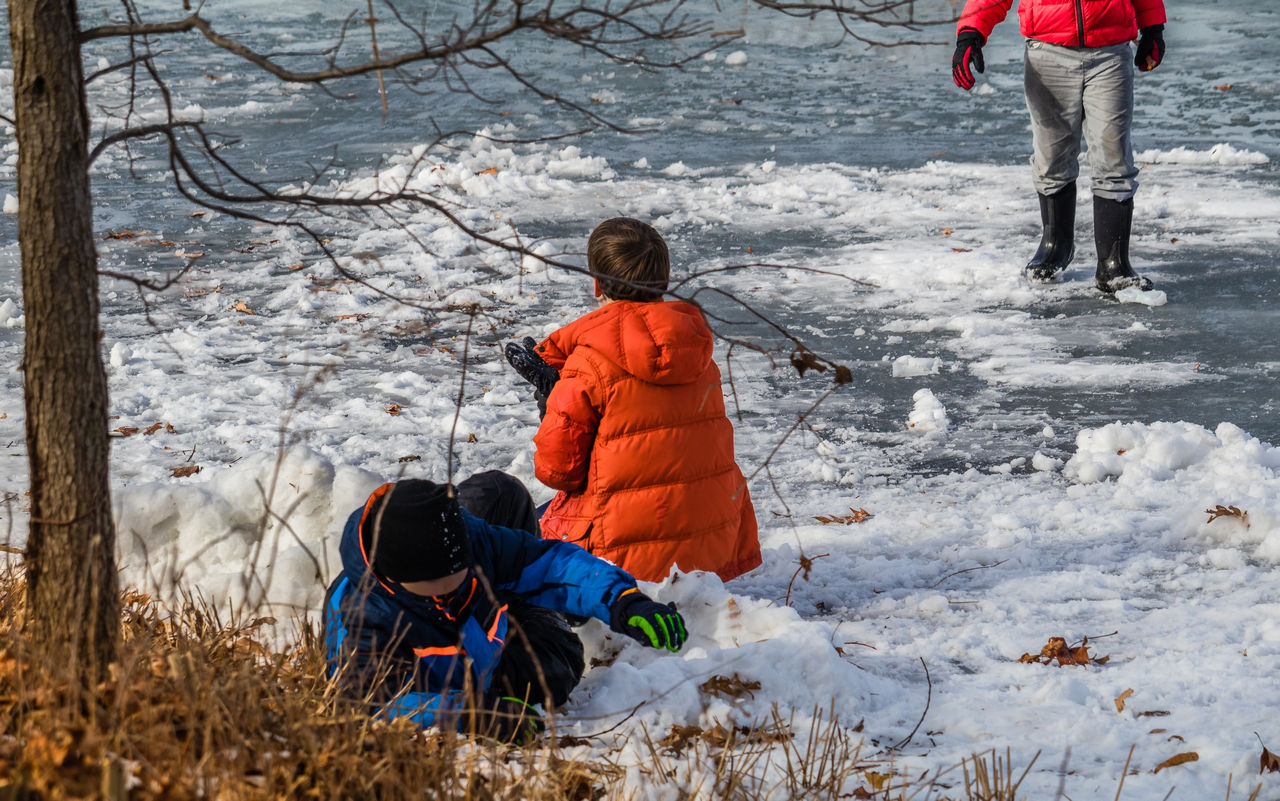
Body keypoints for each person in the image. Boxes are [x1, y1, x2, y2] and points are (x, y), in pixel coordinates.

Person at [322, 472, 688, 743]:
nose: (452, 590)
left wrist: (623, 601)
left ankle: (542, 598)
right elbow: (367, 706)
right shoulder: (360, 615)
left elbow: (550, 563)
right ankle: (532, 608)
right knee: (555, 673)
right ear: (395, 579)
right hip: (453, 680)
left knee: (504, 492)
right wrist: (472, 714)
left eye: (459, 576)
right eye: (436, 586)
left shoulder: (472, 541)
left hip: (484, 632)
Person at [504, 217, 761, 584]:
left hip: (620, 564)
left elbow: (557, 471)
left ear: (596, 284)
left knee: (506, 520)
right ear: (663, 281)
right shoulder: (698, 357)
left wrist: (551, 406)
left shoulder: (588, 363)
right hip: (710, 551)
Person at [951, 0, 1167, 293]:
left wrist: (1152, 28)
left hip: (1110, 53)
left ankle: (1113, 265)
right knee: (1052, 157)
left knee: (1113, 156)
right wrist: (970, 34)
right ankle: (1056, 246)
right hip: (1047, 53)